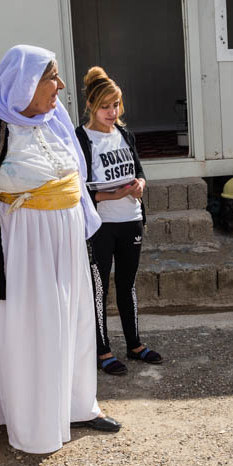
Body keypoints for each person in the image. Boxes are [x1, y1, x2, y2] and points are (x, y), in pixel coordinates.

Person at [0, 44, 120, 454]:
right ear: (25, 83)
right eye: (52, 77)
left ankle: (76, 406)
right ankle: (35, 426)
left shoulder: (55, 117)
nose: (61, 85)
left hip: (66, 242)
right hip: (22, 247)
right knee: (35, 330)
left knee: (74, 322)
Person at [75, 66, 162, 376]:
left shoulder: (124, 134)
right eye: (105, 106)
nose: (112, 112)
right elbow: (78, 188)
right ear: (91, 105)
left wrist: (140, 185)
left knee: (127, 285)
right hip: (101, 226)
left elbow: (139, 170)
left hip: (131, 220)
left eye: (116, 105)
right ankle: (103, 351)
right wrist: (112, 195)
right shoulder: (80, 138)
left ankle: (135, 345)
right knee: (99, 290)